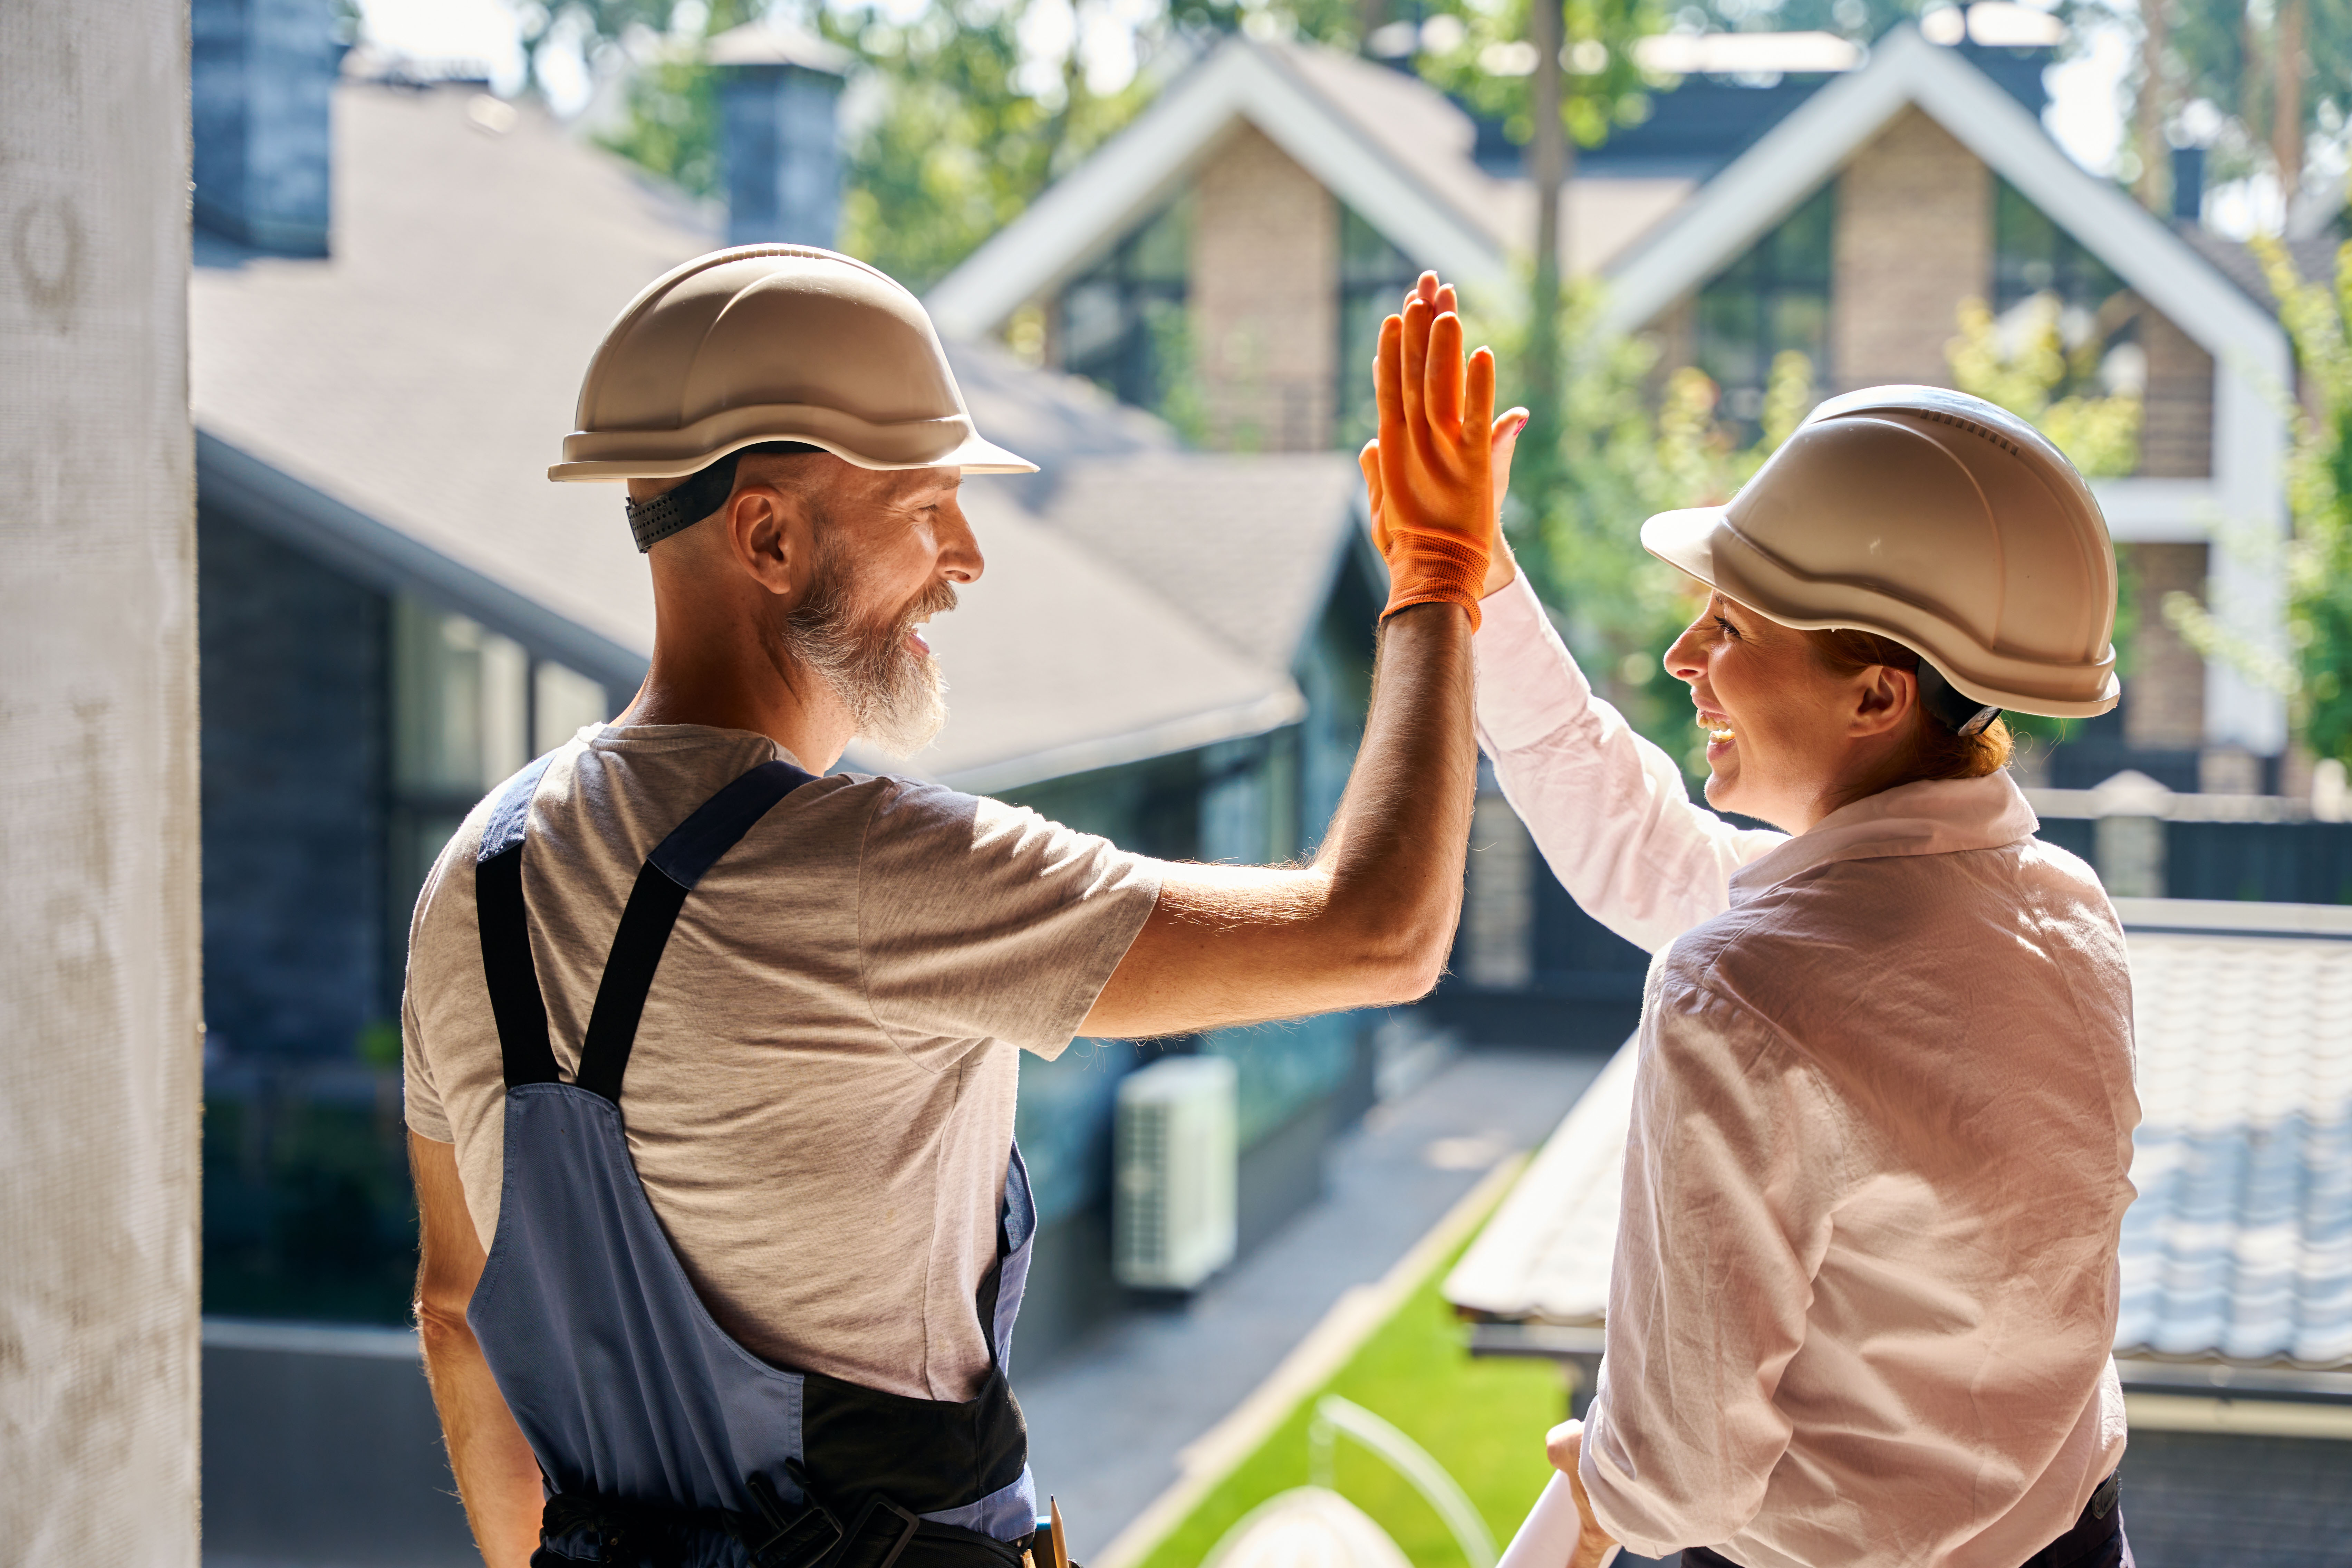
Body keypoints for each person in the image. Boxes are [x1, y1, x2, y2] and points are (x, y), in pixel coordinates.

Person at [402, 247, 1506, 1568]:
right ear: (767, 535)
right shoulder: (873, 870)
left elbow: (458, 1312)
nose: (966, 557)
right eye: (927, 506)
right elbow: (1378, 933)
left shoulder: (476, 875)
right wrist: (1437, 574)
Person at [1372, 287, 2138, 1568]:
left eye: (1727, 626)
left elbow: (1673, 1483)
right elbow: (1650, 850)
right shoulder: (2060, 912)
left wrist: (1603, 1471)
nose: (1684, 657)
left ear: (1877, 696)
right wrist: (1480, 577)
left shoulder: (1743, 992)